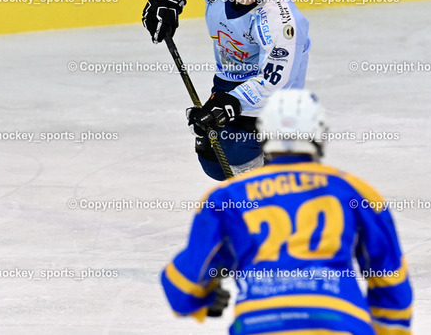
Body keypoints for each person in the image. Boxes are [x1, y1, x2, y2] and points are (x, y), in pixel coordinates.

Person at [161, 89, 413, 335]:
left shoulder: (227, 197)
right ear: (319, 133)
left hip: (259, 325)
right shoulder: (354, 192)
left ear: (263, 133)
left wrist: (205, 296)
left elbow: (182, 286)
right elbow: (390, 280)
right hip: (340, 324)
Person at [142, 0, 311, 181]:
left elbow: (275, 82)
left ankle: (274, 172)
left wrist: (229, 104)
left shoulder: (280, 20)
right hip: (230, 72)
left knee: (237, 151)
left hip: (276, 88)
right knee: (212, 157)